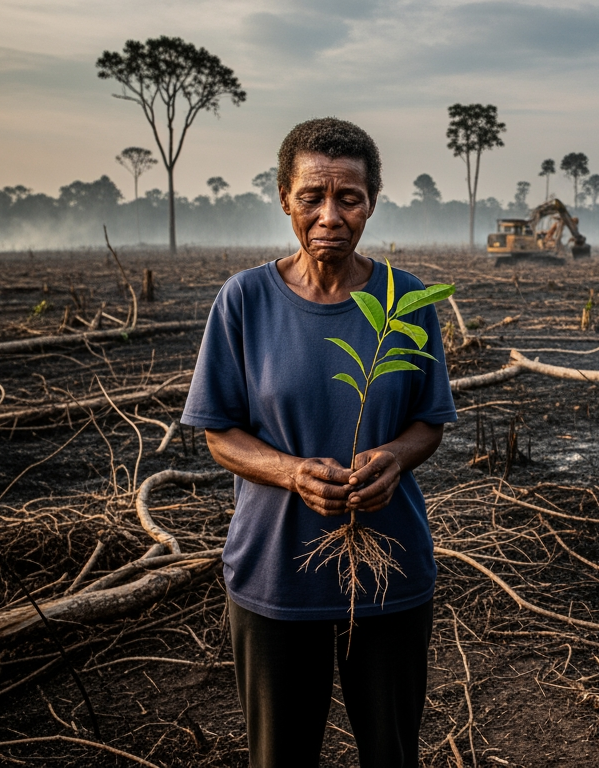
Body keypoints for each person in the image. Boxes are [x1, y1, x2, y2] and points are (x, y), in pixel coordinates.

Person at [182, 118, 454, 768]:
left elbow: (429, 421)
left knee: (392, 754)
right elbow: (219, 433)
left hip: (389, 570)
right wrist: (291, 472)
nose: (330, 215)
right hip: (276, 573)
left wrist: (394, 458)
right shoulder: (245, 300)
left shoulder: (407, 301)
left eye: (349, 198)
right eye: (312, 196)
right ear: (285, 198)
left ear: (371, 202)